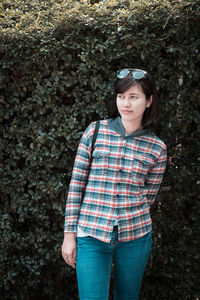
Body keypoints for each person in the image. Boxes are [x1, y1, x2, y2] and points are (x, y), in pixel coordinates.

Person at [62, 68, 167, 300]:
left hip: (135, 237)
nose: (125, 103)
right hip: (91, 235)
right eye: (121, 96)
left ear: (149, 101)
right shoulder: (95, 131)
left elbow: (149, 195)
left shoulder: (157, 148)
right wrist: (69, 235)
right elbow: (76, 185)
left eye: (133, 96)